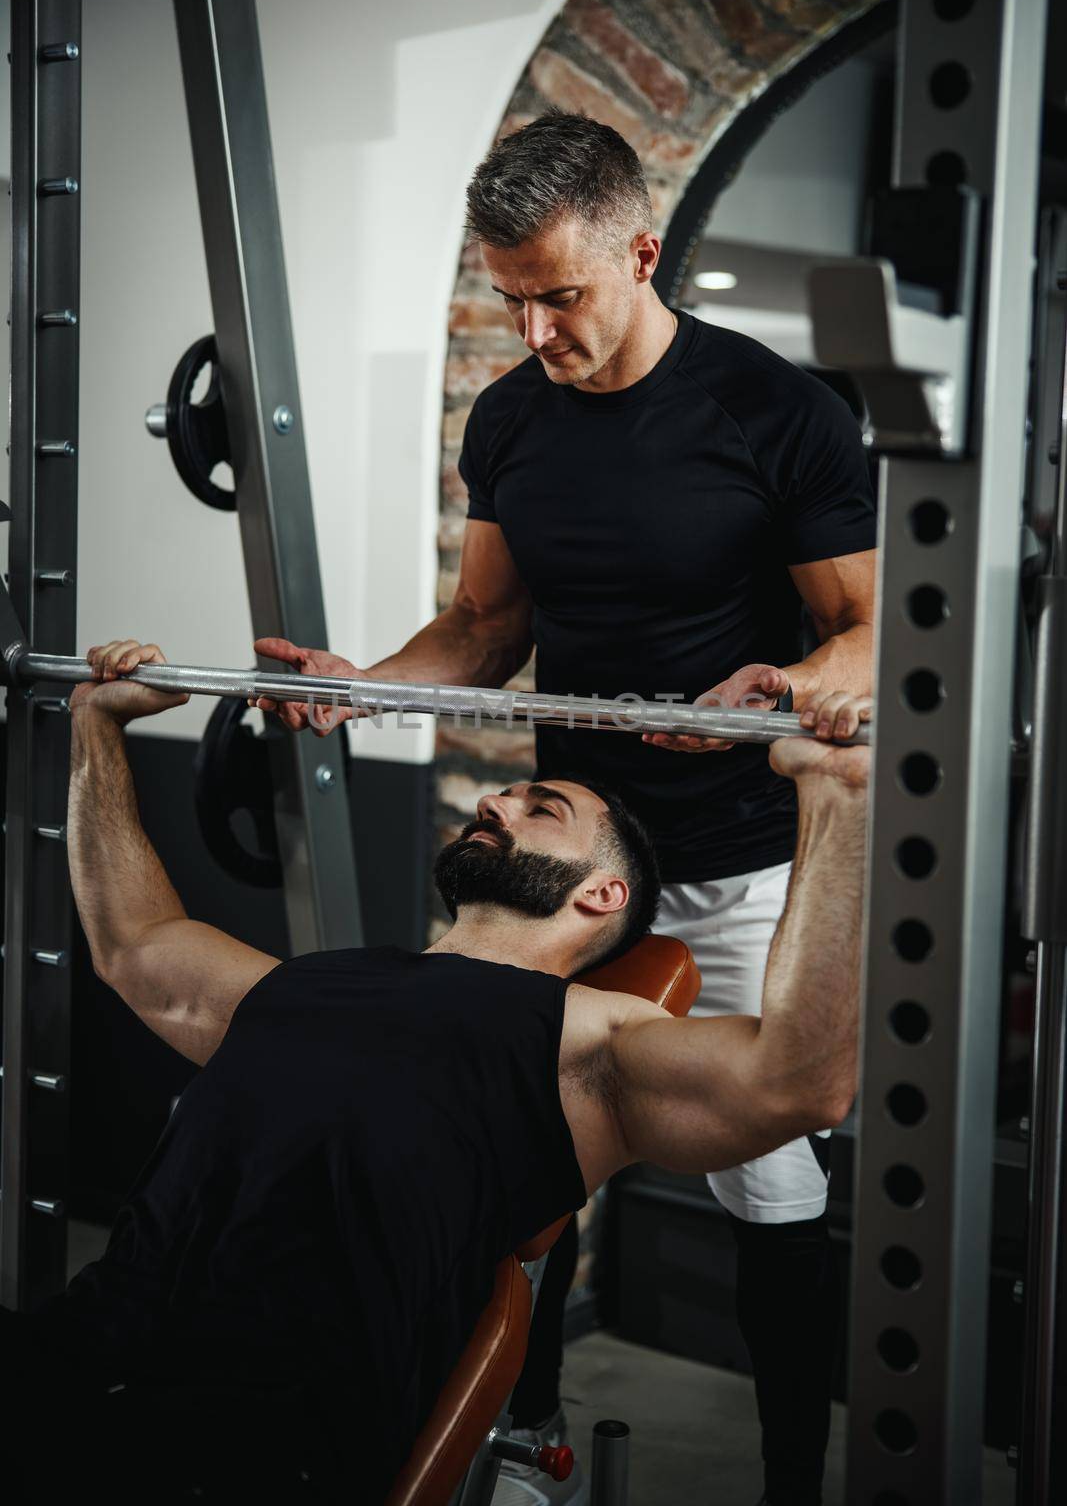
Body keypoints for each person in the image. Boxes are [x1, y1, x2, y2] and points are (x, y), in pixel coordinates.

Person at [251, 113, 877, 1506]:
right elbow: (481, 626)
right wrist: (367, 690)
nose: (534, 328)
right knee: (530, 1152)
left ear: (637, 252)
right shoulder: (516, 417)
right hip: (578, 855)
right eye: (511, 298)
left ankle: (791, 1480)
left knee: (768, 1186)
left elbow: (870, 631)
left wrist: (786, 682)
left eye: (560, 294)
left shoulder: (778, 413)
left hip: (735, 858)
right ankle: (523, 1439)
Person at [1, 642, 869, 1506]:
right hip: (75, 1352)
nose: (495, 798)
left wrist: (833, 797)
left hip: (245, 1442)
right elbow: (133, 945)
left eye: (542, 806)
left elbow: (800, 1084)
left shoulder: (588, 1043)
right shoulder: (304, 981)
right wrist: (98, 725)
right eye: (512, 793)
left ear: (600, 894)